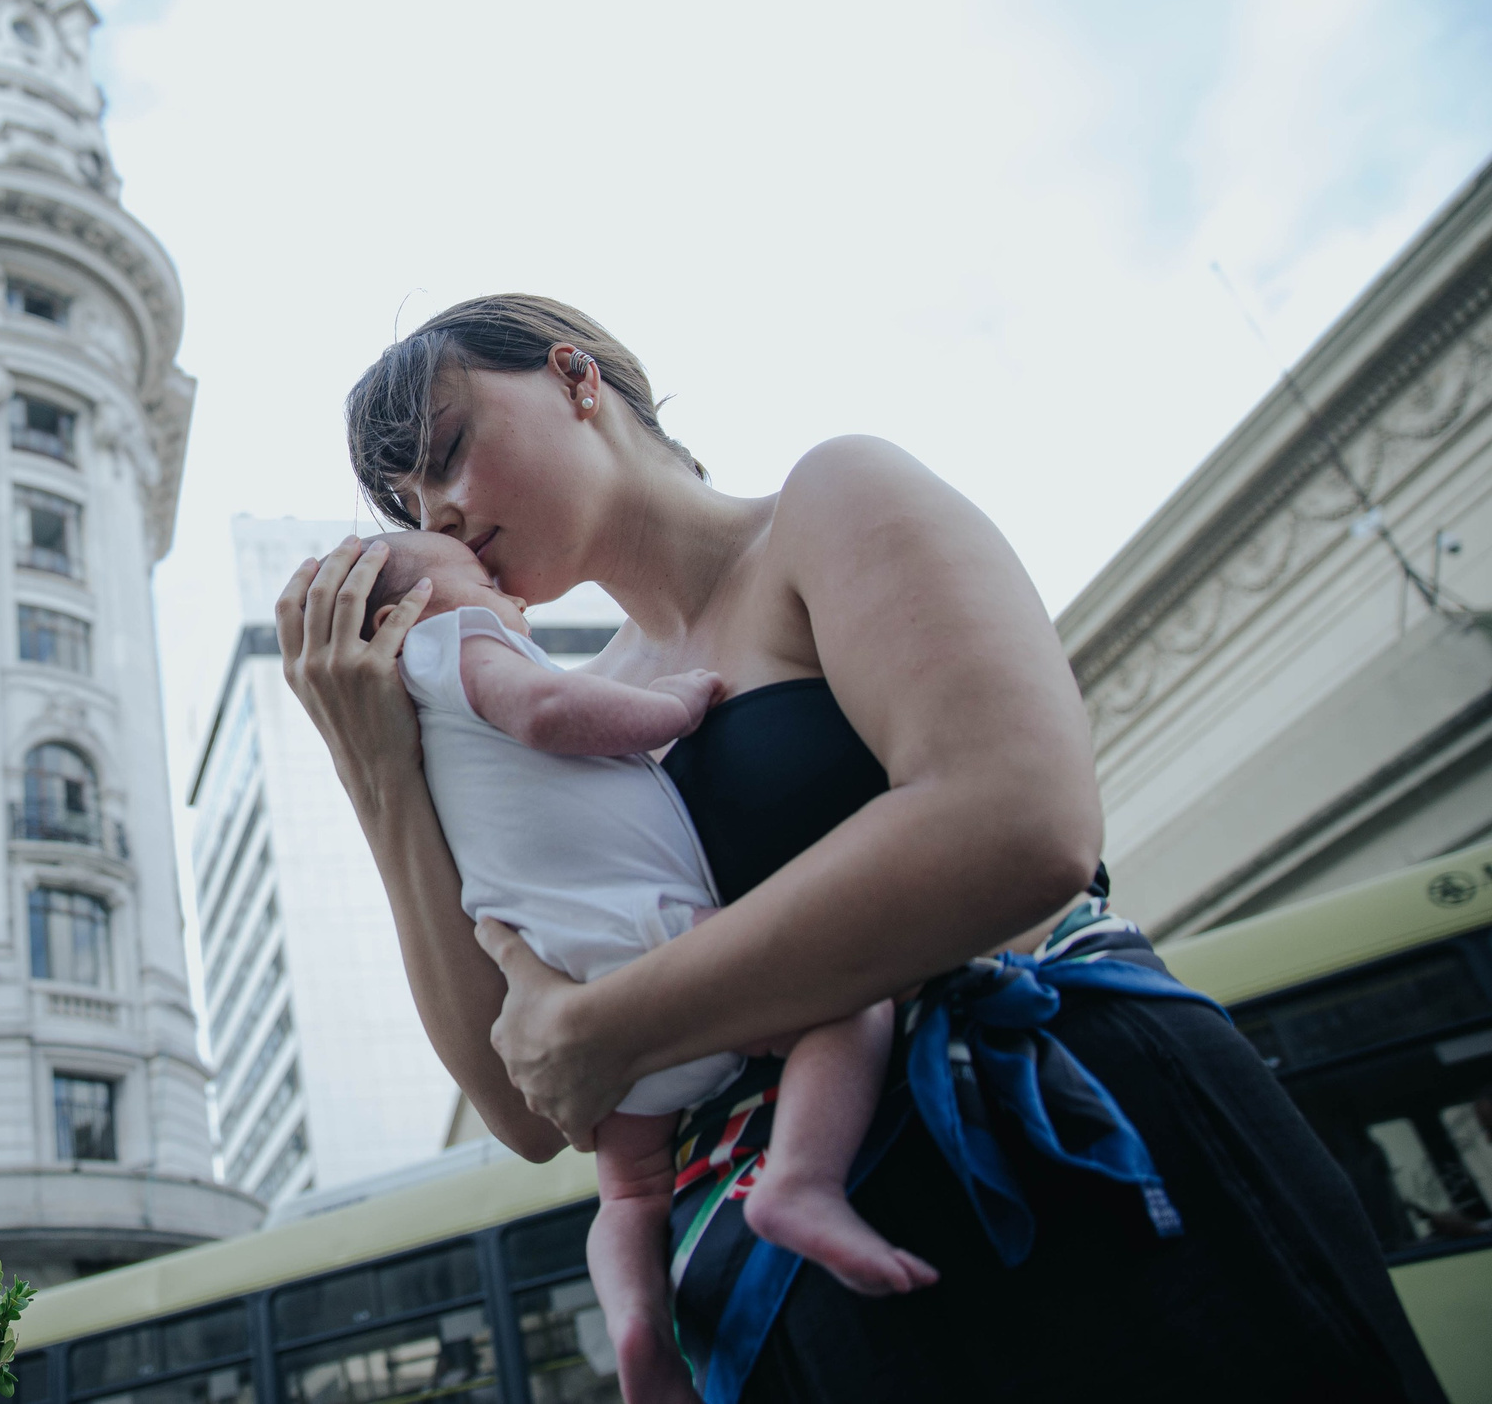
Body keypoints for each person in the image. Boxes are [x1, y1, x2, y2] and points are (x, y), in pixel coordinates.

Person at [277, 294, 1445, 1403]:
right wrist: (376, 765)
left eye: (445, 447)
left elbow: (1018, 819)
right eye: (405, 498)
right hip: (818, 1299)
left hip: (1073, 1153)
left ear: (576, 377)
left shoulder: (829, 501)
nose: (430, 510)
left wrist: (606, 1021)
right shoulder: (578, 703)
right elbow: (529, 1107)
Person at [366, 527, 934, 1404]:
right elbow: (553, 715)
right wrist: (673, 705)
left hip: (573, 976)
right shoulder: (451, 643)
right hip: (644, 932)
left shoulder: (427, 730)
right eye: (476, 571)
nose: (506, 591)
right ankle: (802, 1181)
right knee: (845, 1002)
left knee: (630, 1194)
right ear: (411, 612)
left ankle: (637, 1321)